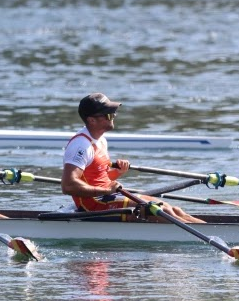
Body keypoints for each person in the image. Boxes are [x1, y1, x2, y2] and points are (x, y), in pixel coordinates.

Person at [61, 93, 204, 223]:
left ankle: (211, 231)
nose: (113, 115)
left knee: (173, 209)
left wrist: (117, 173)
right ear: (92, 120)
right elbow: (68, 185)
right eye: (108, 114)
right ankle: (203, 238)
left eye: (113, 112)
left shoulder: (101, 140)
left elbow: (96, 178)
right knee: (162, 211)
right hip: (93, 205)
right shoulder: (81, 146)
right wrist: (106, 191)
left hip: (106, 197)